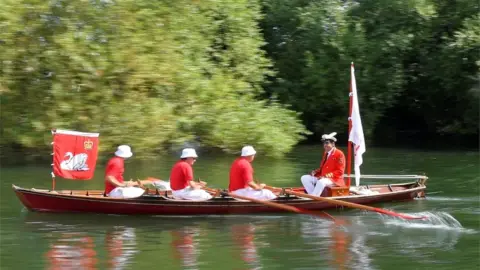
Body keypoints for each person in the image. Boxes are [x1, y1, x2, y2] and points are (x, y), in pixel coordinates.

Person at [301, 132, 346, 196]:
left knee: (321, 181)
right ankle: (312, 195)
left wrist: (325, 176)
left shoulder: (339, 154)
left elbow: (340, 172)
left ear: (333, 144)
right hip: (322, 177)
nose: (325, 145)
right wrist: (315, 172)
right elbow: (322, 168)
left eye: (327, 143)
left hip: (334, 179)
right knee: (304, 178)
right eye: (324, 143)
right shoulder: (326, 153)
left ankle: (314, 197)